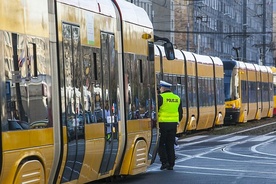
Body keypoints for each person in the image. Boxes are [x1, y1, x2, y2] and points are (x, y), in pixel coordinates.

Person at [157, 80, 183, 170]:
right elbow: (180, 113)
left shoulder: (160, 97)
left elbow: (155, 111)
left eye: (160, 88)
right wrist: (176, 121)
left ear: (163, 88)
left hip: (162, 124)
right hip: (173, 125)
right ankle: (171, 164)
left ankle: (164, 162)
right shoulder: (177, 98)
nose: (160, 89)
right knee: (170, 144)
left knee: (160, 144)